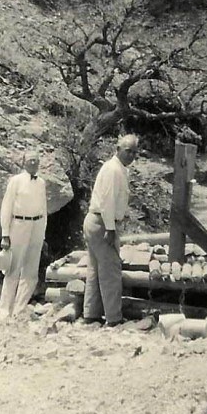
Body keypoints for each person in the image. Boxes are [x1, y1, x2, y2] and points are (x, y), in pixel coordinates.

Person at [83, 134, 139, 326]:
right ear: (117, 149)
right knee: (111, 270)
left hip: (97, 221)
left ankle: (91, 314)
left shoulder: (118, 169)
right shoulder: (113, 170)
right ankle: (114, 318)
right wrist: (110, 228)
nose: (131, 156)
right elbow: (107, 201)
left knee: (95, 269)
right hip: (102, 222)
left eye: (134, 152)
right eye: (128, 151)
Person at [0, 150, 48, 318]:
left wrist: (43, 231)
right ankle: (4, 310)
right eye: (30, 160)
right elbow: (7, 206)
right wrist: (5, 234)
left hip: (37, 225)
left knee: (31, 270)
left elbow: (44, 207)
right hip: (19, 224)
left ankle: (19, 310)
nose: (33, 163)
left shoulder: (41, 182)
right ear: (24, 163)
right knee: (13, 267)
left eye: (36, 160)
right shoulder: (16, 181)